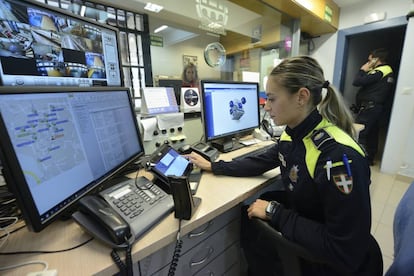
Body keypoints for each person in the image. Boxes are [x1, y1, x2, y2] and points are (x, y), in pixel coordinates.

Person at [186, 56, 378, 275]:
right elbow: (261, 161)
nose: (266, 107)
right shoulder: (293, 133)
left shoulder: (338, 158)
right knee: (251, 211)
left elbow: (345, 249)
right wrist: (215, 166)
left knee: (260, 210)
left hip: (333, 260)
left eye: (272, 99)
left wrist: (274, 213)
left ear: (302, 97)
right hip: (309, 216)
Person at [352, 48, 395, 165]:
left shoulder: (381, 71)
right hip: (374, 108)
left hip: (370, 108)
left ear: (376, 59)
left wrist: (362, 70)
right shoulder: (386, 71)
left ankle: (358, 161)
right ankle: (369, 159)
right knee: (372, 134)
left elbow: (357, 81)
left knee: (360, 133)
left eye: (370, 60)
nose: (368, 62)